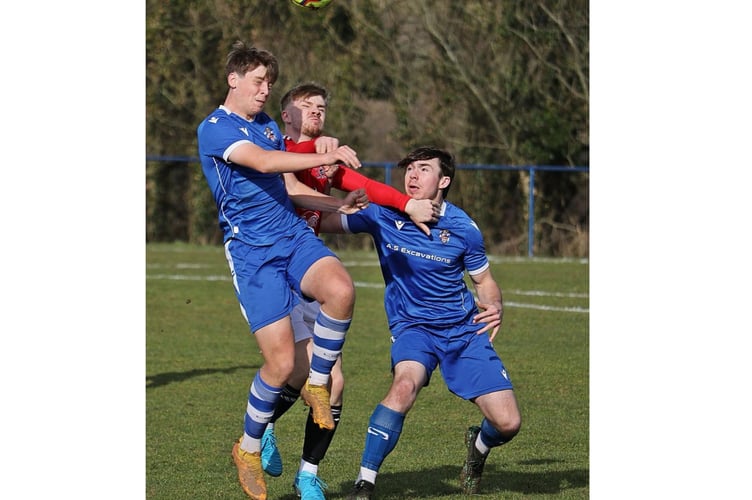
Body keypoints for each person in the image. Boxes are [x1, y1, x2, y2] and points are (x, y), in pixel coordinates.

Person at [196, 41, 368, 500]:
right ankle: (248, 449)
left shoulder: (268, 124)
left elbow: (287, 184)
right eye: (258, 81)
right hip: (252, 253)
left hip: (292, 236)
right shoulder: (214, 128)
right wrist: (324, 156)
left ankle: (317, 385)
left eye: (270, 83)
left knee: (342, 290)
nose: (266, 90)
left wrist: (338, 204)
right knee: (280, 363)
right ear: (234, 79)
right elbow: (266, 162)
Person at [259, 82, 440, 500]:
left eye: (321, 106)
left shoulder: (325, 161)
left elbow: (363, 185)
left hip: (310, 274)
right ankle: (261, 425)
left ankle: (307, 474)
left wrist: (404, 205)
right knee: (295, 371)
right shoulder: (274, 147)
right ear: (286, 115)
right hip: (278, 273)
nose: (316, 112)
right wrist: (331, 176)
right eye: (306, 107)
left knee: (334, 384)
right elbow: (291, 190)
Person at [319, 147, 522, 499]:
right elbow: (326, 221)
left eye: (423, 169)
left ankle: (479, 446)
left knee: (508, 423)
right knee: (403, 387)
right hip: (413, 329)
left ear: (444, 181)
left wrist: (496, 303)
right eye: (409, 169)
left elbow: (484, 281)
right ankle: (364, 483)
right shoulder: (383, 213)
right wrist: (304, 194)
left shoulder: (463, 228)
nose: (412, 176)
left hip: (463, 331)